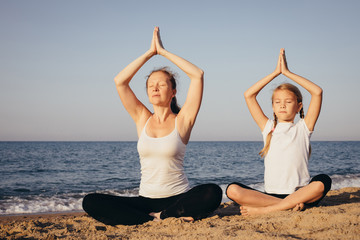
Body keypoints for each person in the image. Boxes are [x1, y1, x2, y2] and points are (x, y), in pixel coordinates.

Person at [82, 27, 222, 225]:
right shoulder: (142, 118)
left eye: (162, 84)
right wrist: (149, 53)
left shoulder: (183, 120)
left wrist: (163, 51)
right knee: (90, 201)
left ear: (173, 91)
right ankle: (156, 218)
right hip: (145, 200)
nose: (155, 87)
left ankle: (161, 216)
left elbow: (197, 75)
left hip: (178, 198)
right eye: (151, 85)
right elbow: (120, 81)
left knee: (213, 192)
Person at [226, 48, 331, 215]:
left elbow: (317, 92)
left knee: (323, 181)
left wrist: (287, 73)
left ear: (299, 106)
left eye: (288, 101)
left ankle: (269, 210)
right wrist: (276, 73)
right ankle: (286, 205)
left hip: (300, 193)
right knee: (232, 190)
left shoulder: (303, 128)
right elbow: (249, 95)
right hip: (273, 195)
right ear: (273, 107)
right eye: (277, 102)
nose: (282, 105)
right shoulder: (268, 128)